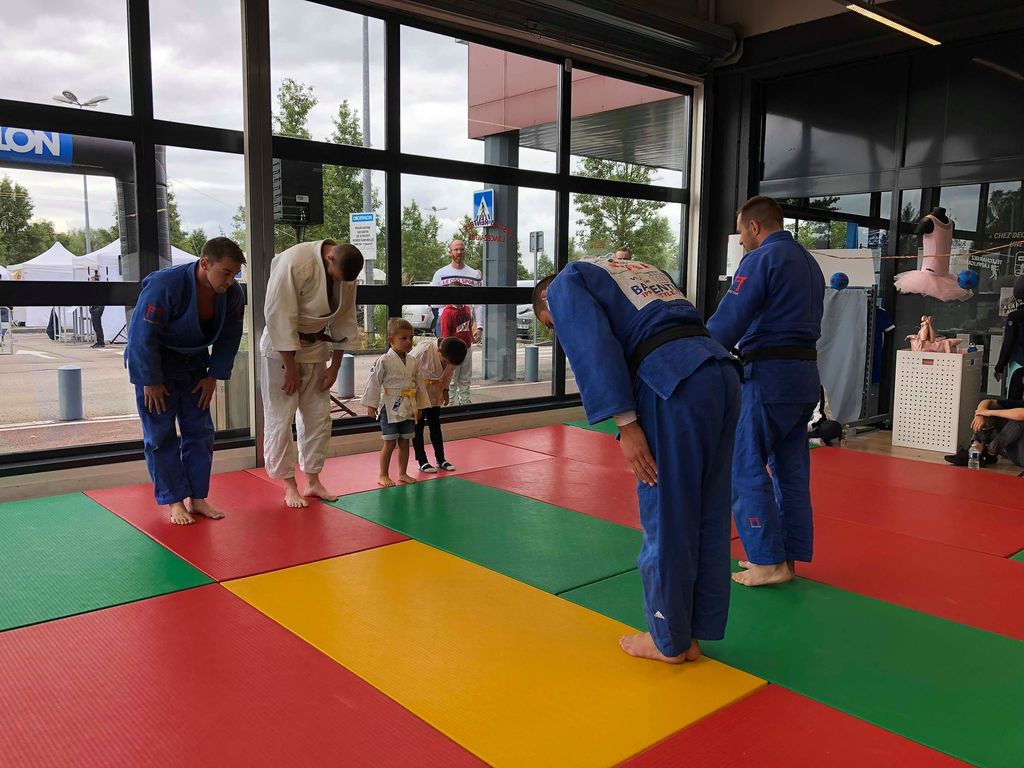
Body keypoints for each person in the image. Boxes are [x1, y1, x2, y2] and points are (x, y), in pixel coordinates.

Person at [534, 259, 741, 665]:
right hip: (719, 372)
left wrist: (627, 425)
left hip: (674, 382)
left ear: (547, 300)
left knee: (667, 511)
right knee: (708, 509)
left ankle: (668, 639)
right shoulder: (633, 269)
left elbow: (592, 345)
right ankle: (693, 630)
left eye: (552, 325)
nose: (559, 332)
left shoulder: (563, 286)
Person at [707, 195, 824, 588]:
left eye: (741, 232)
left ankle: (766, 560)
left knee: (744, 465)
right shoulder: (809, 262)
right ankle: (787, 558)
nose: (741, 240)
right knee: (791, 471)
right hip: (804, 379)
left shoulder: (762, 259)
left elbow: (730, 318)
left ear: (754, 226)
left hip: (768, 377)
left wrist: (696, 352)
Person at [125, 237, 246, 525]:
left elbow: (230, 337)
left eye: (235, 274)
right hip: (156, 364)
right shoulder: (164, 285)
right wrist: (150, 380)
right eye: (226, 272)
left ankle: (198, 497)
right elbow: (142, 335)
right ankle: (174, 501)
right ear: (205, 263)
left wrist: (214, 376)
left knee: (200, 431)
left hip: (195, 366)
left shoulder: (232, 294)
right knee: (160, 435)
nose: (230, 280)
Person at [261, 240, 362, 508]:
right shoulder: (294, 262)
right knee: (281, 417)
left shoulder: (346, 269)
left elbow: (345, 320)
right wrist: (289, 368)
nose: (338, 283)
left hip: (316, 348)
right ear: (330, 258)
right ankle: (289, 484)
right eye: (336, 277)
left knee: (318, 417)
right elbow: (278, 316)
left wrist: (335, 366)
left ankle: (313, 481)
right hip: (280, 350)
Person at [361, 318, 429, 487]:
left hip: (408, 405)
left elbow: (419, 385)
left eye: (410, 338)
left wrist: (420, 406)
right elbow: (374, 382)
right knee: (389, 442)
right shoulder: (384, 360)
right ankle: (383, 474)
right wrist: (371, 405)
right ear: (391, 340)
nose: (408, 342)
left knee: (405, 441)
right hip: (390, 406)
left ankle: (402, 473)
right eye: (403, 338)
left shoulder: (413, 361)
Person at [410, 335, 467, 473]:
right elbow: (407, 372)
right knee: (418, 426)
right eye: (445, 361)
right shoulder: (422, 351)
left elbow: (449, 373)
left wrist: (446, 389)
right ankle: (422, 461)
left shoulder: (453, 355)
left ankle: (440, 459)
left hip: (435, 390)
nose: (448, 365)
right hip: (417, 391)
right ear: (439, 350)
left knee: (435, 424)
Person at [431, 239, 482, 380]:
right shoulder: (440, 274)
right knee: (448, 361)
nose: (459, 252)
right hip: (445, 321)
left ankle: (464, 391)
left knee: (465, 360)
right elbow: (432, 302)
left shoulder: (474, 275)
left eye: (461, 249)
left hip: (465, 321)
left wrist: (479, 326)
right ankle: (447, 390)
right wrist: (452, 302)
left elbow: (479, 303)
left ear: (465, 251)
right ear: (450, 252)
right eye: (455, 249)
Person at [945, 397, 1024, 469]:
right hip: (1013, 447)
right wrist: (981, 414)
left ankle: (990, 452)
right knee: (992, 407)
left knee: (1019, 419)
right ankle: (975, 449)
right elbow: (987, 401)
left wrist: (988, 412)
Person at [440, 294, 476, 404]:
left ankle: (465, 400)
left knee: (466, 376)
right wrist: (446, 351)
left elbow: (469, 326)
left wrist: (471, 337)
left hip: (467, 347)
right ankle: (450, 402)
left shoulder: (467, 309)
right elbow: (445, 334)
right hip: (453, 351)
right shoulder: (447, 312)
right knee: (452, 377)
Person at [994, 276, 1024, 400]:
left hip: (1020, 363)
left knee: (1013, 400)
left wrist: (999, 367)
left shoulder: (1015, 316)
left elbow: (1008, 342)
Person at [89, 272, 105, 348]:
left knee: (97, 325)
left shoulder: (98, 289)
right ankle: (100, 341)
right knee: (97, 325)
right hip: (96, 308)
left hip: (97, 309)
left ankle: (100, 342)